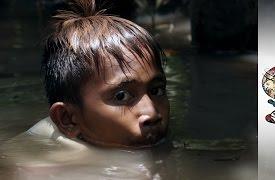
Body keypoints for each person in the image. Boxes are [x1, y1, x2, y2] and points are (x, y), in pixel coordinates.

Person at [29, 0, 170, 149]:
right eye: (121, 96)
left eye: (156, 91)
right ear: (68, 120)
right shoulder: (43, 169)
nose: (152, 113)